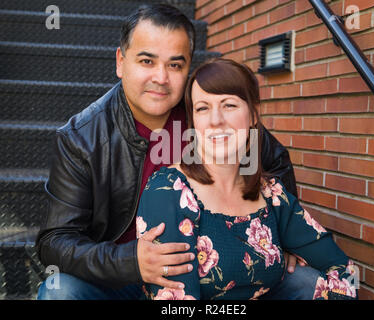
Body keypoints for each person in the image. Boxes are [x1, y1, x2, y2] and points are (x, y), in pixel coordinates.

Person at [36, 4, 314, 300]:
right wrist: (131, 261)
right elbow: (55, 242)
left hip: (220, 272)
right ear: (121, 61)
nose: (161, 78)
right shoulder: (82, 138)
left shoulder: (205, 110)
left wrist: (282, 237)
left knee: (309, 285)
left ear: (188, 68)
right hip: (126, 281)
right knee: (60, 291)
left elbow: (274, 158)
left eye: (175, 65)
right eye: (147, 61)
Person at [136, 58, 358, 300]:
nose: (215, 120)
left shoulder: (270, 193)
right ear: (193, 123)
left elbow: (346, 270)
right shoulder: (168, 190)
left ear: (254, 114)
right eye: (202, 108)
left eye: (229, 105)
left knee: (307, 281)